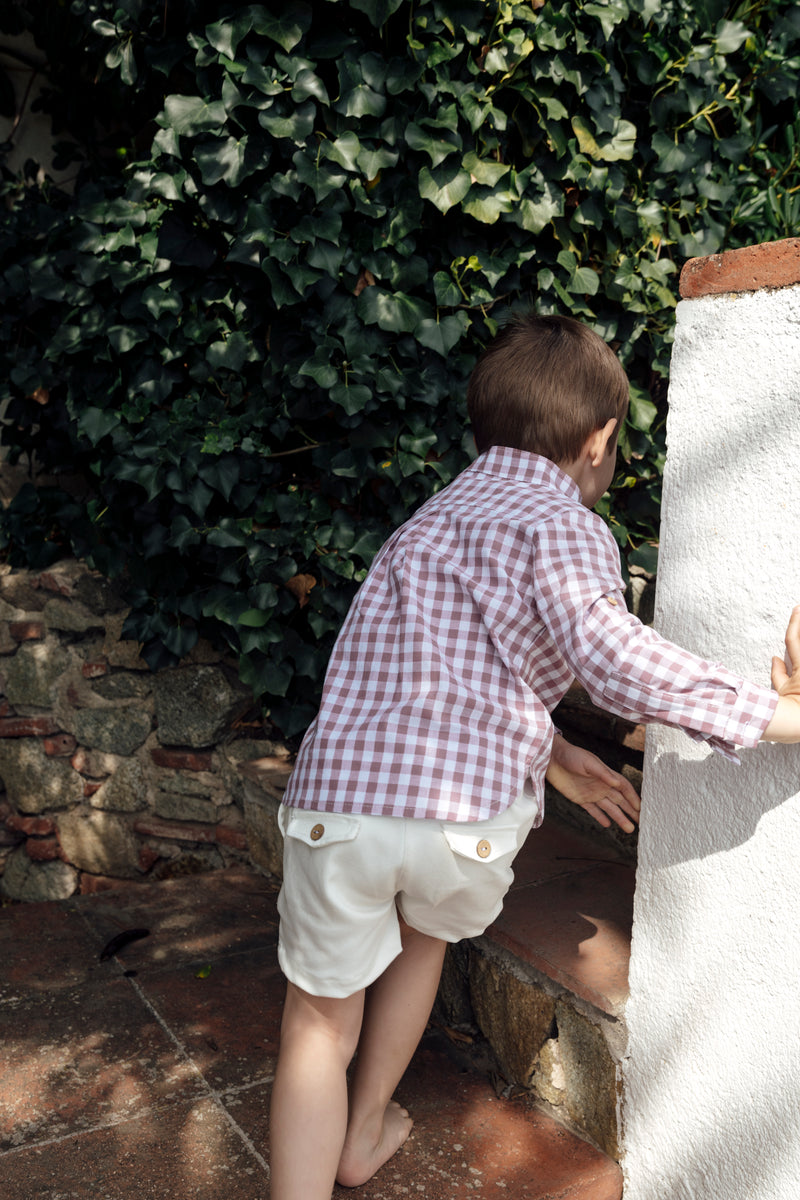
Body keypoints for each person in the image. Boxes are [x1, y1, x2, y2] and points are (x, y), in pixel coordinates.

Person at [267, 313, 800, 1200]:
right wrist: (777, 715)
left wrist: (553, 752)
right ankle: (363, 1134)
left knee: (317, 1025)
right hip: (459, 825)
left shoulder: (426, 524)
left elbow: (427, 678)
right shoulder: (562, 524)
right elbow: (616, 661)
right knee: (426, 935)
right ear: (599, 442)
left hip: (341, 807)